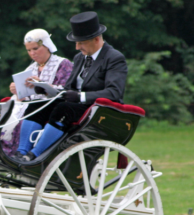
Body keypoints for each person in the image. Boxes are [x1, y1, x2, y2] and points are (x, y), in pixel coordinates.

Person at [14, 11, 127, 162]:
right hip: (75, 104)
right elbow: (69, 87)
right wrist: (46, 89)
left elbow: (114, 93)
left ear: (96, 39)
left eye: (81, 42)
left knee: (64, 109)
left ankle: (33, 156)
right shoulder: (80, 57)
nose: (77, 47)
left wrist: (80, 96)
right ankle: (21, 152)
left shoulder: (114, 58)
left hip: (97, 108)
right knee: (38, 105)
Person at [1, 29, 73, 155]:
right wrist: (18, 91)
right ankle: (15, 152)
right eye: (29, 50)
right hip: (32, 106)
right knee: (5, 115)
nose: (32, 53)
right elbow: (27, 96)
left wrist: (42, 85)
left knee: (26, 115)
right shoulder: (31, 68)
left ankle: (24, 152)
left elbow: (67, 91)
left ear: (47, 46)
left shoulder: (63, 64)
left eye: (35, 48)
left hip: (55, 107)